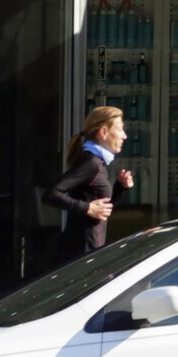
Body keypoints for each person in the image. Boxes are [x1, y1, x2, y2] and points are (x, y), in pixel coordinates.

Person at [43, 106, 135, 261]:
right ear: (103, 132)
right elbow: (51, 194)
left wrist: (120, 187)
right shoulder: (91, 163)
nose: (124, 136)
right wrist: (87, 208)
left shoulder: (98, 163)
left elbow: (101, 209)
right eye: (119, 130)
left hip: (90, 252)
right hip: (78, 254)